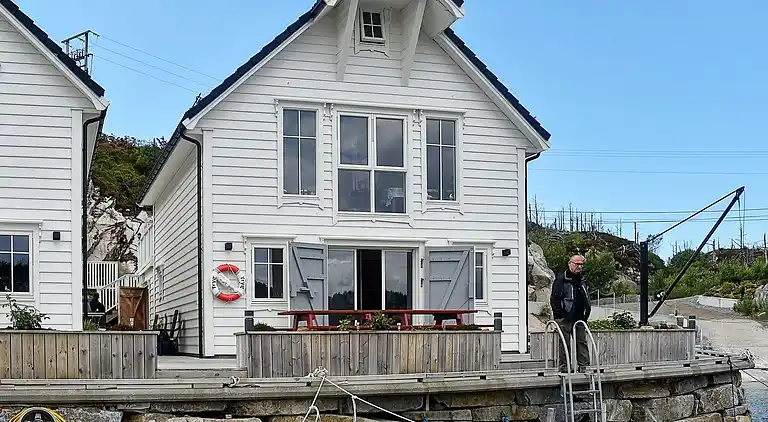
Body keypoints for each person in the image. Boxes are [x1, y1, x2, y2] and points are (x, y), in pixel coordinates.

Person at [549, 254, 591, 372]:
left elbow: (586, 297)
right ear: (570, 264)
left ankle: (584, 367)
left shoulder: (582, 280)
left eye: (581, 264)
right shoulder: (561, 279)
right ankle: (565, 367)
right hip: (565, 317)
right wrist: (560, 315)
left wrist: (586, 312)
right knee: (564, 343)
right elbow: (555, 299)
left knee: (581, 342)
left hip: (579, 317)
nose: (579, 267)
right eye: (577, 264)